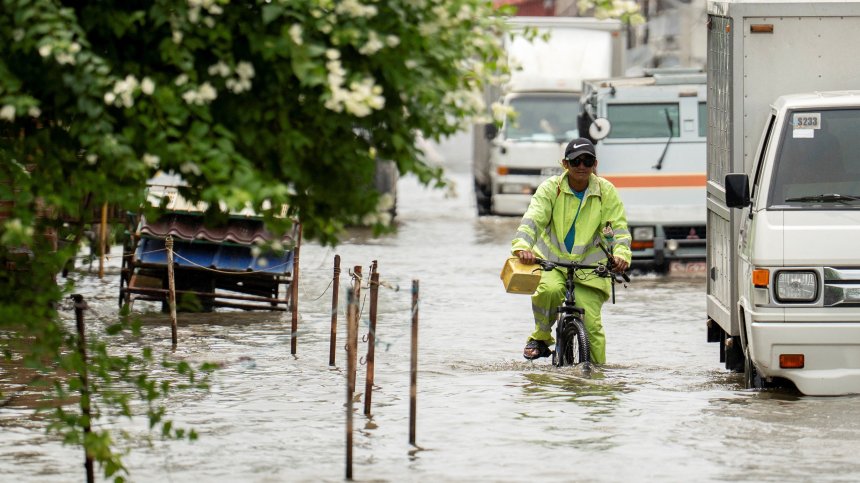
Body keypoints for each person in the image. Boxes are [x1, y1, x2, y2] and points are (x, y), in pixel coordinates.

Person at [512, 138, 632, 363]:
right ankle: (540, 337)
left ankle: (596, 380)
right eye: (576, 161)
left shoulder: (606, 191)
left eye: (587, 161)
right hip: (553, 265)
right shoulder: (551, 189)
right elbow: (533, 220)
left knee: (592, 327)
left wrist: (622, 255)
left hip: (591, 271)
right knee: (549, 291)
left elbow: (620, 229)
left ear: (595, 164)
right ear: (565, 164)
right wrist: (522, 247)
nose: (582, 166)